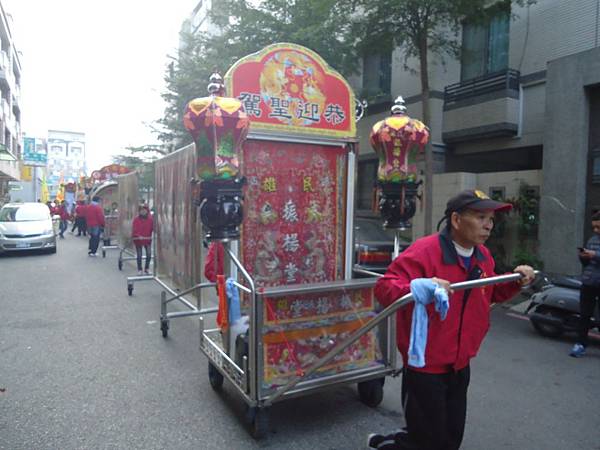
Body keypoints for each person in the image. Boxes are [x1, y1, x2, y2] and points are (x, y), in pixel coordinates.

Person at [367, 189, 535, 450]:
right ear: (456, 220)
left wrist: (516, 280)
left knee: (451, 434)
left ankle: (395, 441)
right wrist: (417, 286)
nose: (488, 224)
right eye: (480, 217)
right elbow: (385, 288)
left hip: (460, 361)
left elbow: (489, 293)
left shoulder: (482, 256)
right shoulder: (425, 251)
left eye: (491, 218)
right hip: (426, 364)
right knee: (428, 439)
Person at [569, 210, 600, 357]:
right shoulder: (592, 240)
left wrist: (595, 255)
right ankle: (580, 344)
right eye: (594, 227)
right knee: (584, 315)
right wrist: (584, 256)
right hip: (588, 282)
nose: (595, 230)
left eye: (598, 227)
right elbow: (587, 263)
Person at [132, 205, 154, 275]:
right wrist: (138, 236)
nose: (143, 212)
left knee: (149, 254)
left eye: (144, 210)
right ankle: (139, 269)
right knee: (139, 255)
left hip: (147, 240)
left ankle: (146, 268)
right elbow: (134, 230)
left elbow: (152, 228)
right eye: (141, 210)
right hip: (138, 240)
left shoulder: (150, 220)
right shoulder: (136, 220)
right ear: (139, 211)